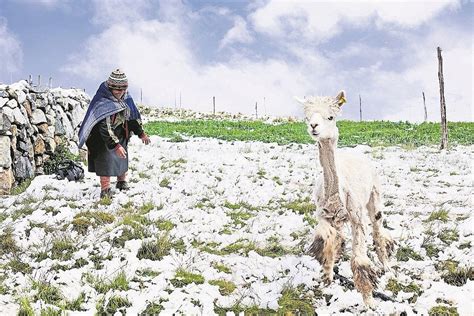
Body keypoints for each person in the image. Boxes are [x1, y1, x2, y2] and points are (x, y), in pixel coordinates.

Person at [78, 69, 150, 198]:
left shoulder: (125, 97)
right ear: (111, 88)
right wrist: (115, 145)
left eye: (123, 89)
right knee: (105, 160)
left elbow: (132, 116)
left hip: (120, 131)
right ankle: (105, 189)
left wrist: (141, 133)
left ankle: (121, 181)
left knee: (121, 159)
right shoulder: (103, 101)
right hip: (101, 137)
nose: (120, 93)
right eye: (117, 90)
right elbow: (104, 127)